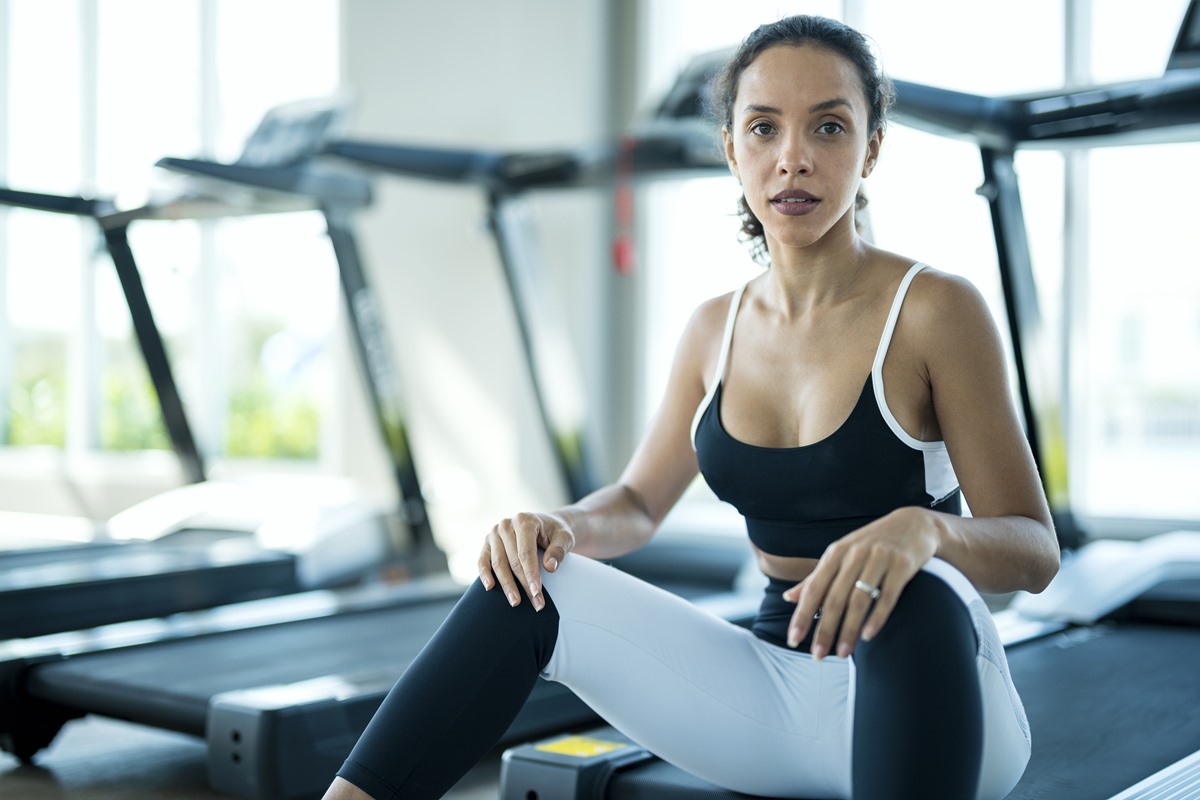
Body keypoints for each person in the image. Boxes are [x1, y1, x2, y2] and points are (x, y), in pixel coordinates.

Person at [322, 14, 1059, 800]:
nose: (794, 159)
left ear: (871, 146)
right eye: (764, 128)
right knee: (525, 582)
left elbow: (1034, 550)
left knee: (909, 589)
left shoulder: (935, 310)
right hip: (775, 695)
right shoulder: (715, 327)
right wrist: (558, 527)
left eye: (829, 127)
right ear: (731, 147)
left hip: (946, 700)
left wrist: (927, 530)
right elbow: (639, 504)